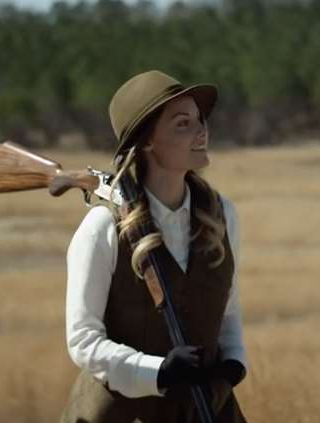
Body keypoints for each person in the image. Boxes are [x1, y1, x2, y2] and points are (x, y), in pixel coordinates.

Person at [60, 70, 248, 422]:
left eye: (200, 119)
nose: (201, 131)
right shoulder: (102, 227)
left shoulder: (222, 215)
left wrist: (234, 364)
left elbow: (227, 314)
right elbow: (83, 340)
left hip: (205, 410)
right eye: (183, 123)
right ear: (146, 140)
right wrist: (157, 371)